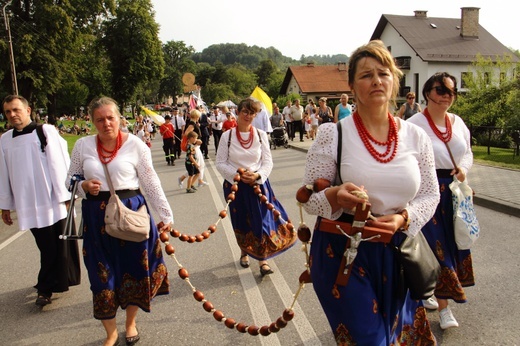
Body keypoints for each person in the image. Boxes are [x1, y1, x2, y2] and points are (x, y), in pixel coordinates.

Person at [300, 40, 440, 345]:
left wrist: (403, 218)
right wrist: (336, 194)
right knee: (370, 341)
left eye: (383, 73)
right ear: (351, 85)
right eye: (365, 75)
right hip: (342, 255)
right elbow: (309, 199)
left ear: (394, 81)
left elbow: (430, 194)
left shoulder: (416, 136)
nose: (376, 80)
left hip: (397, 254)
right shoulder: (333, 134)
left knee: (393, 337)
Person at [66, 96, 172, 346]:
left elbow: (150, 182)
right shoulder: (82, 146)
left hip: (131, 215)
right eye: (99, 119)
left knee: (134, 270)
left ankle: (131, 323)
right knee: (101, 275)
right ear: (92, 122)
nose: (106, 123)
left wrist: (165, 214)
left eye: (110, 117)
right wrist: (82, 185)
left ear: (120, 119)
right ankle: (111, 332)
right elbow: (69, 180)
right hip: (96, 219)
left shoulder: (136, 145)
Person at [407, 72, 474, 330]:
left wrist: (464, 170)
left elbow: (466, 152)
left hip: (454, 190)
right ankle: (445, 309)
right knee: (437, 247)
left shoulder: (458, 122)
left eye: (452, 91)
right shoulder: (414, 124)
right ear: (427, 92)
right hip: (425, 191)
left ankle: (432, 292)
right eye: (441, 90)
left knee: (455, 243)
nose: (447, 95)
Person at [0, 94, 81, 308]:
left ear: (27, 110)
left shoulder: (44, 131)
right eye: (8, 111)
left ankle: (45, 288)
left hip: (53, 199)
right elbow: (3, 174)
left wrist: (66, 197)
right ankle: (52, 282)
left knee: (59, 245)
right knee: (47, 246)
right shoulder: (5, 139)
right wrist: (5, 205)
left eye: (16, 109)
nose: (12, 115)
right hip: (28, 203)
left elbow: (60, 164)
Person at [216, 98, 297, 276]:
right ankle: (244, 251)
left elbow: (267, 162)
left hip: (258, 184)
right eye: (245, 111)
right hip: (235, 185)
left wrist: (257, 175)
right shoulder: (227, 136)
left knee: (261, 220)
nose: (248, 116)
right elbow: (220, 163)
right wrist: (238, 174)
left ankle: (263, 260)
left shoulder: (260, 135)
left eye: (252, 113)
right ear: (238, 112)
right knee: (241, 220)